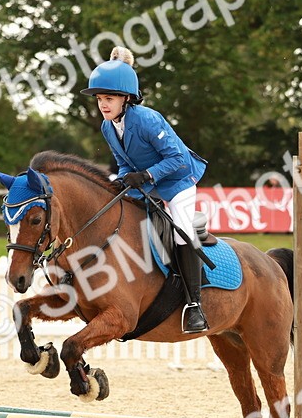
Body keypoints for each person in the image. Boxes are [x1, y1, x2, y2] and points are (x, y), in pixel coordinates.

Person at [81, 46, 210, 333]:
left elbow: (177, 159)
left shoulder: (148, 119)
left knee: (182, 231)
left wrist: (146, 174)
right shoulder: (107, 127)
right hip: (147, 182)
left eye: (109, 98)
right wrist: (124, 179)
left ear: (126, 98)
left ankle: (194, 305)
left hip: (179, 180)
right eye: (100, 98)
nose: (103, 104)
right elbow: (123, 162)